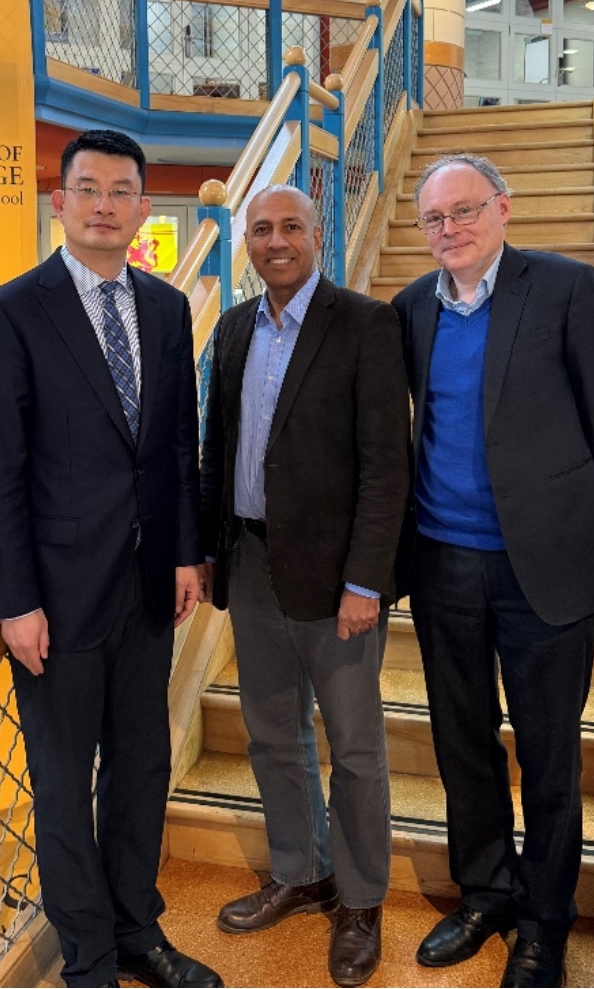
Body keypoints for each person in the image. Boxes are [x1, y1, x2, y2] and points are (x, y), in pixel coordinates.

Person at [0, 129, 222, 989]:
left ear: (144, 209)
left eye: (121, 192)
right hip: (56, 596)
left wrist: (184, 553)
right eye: (88, 189)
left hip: (148, 587)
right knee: (64, 780)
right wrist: (15, 598)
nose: (104, 206)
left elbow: (176, 444)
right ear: (60, 202)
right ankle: (89, 959)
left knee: (142, 766)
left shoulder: (165, 308)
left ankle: (136, 928)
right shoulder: (11, 311)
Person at [392, 152, 594, 989]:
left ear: (502, 207)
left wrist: (548, 509)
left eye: (464, 210)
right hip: (442, 564)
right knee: (461, 744)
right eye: (433, 218)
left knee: (550, 757)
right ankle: (484, 894)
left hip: (543, 570)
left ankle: (543, 924)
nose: (448, 228)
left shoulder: (564, 288)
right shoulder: (412, 306)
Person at [200, 184, 411, 989]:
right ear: (246, 241)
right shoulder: (231, 329)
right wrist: (209, 552)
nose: (276, 241)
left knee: (354, 748)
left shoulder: (364, 323)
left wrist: (366, 581)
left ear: (316, 234)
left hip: (337, 579)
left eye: (290, 226)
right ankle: (300, 871)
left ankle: (359, 901)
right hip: (250, 564)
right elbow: (216, 449)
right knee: (270, 734)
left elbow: (386, 468)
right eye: (261, 229)